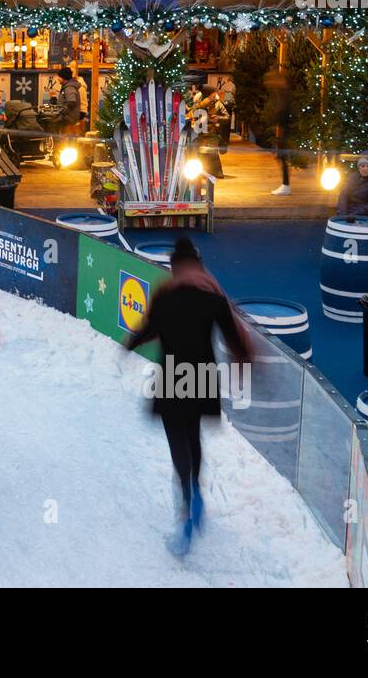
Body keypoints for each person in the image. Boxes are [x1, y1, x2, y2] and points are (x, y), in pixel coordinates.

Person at [124, 237, 250, 555]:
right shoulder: (213, 297)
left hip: (172, 377)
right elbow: (235, 338)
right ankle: (195, 490)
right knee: (193, 435)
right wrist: (245, 360)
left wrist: (128, 345)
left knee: (177, 440)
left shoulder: (165, 297)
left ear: (174, 267)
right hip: (202, 378)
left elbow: (147, 329)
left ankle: (186, 502)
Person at [263, 67, 293, 196]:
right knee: (282, 156)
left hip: (288, 130)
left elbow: (283, 112)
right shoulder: (280, 92)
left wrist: (275, 118)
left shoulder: (283, 93)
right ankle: (285, 184)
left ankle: (286, 185)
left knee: (283, 156)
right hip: (285, 129)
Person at [336, 152, 368, 217]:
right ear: (358, 167)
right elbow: (344, 196)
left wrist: (352, 216)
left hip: (366, 217)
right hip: (348, 213)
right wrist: (343, 213)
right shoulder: (352, 177)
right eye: (362, 166)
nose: (365, 169)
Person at [58, 66, 84, 134]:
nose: (58, 79)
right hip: (69, 118)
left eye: (59, 77)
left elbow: (72, 102)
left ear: (64, 77)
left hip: (68, 119)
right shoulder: (68, 87)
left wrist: (62, 112)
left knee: (66, 140)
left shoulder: (69, 88)